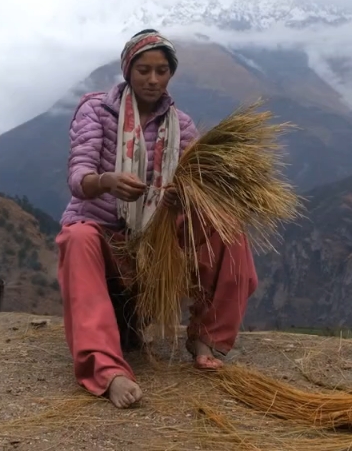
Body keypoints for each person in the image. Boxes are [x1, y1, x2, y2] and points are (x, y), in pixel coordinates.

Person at [56, 29, 259, 409]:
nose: (152, 79)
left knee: (227, 227)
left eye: (161, 71)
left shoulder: (180, 126)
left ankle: (207, 338)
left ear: (171, 74)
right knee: (77, 240)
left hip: (156, 233)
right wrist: (106, 182)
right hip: (101, 229)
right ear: (127, 71)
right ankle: (106, 370)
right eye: (144, 70)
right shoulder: (97, 111)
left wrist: (189, 192)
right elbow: (77, 178)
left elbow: (196, 184)